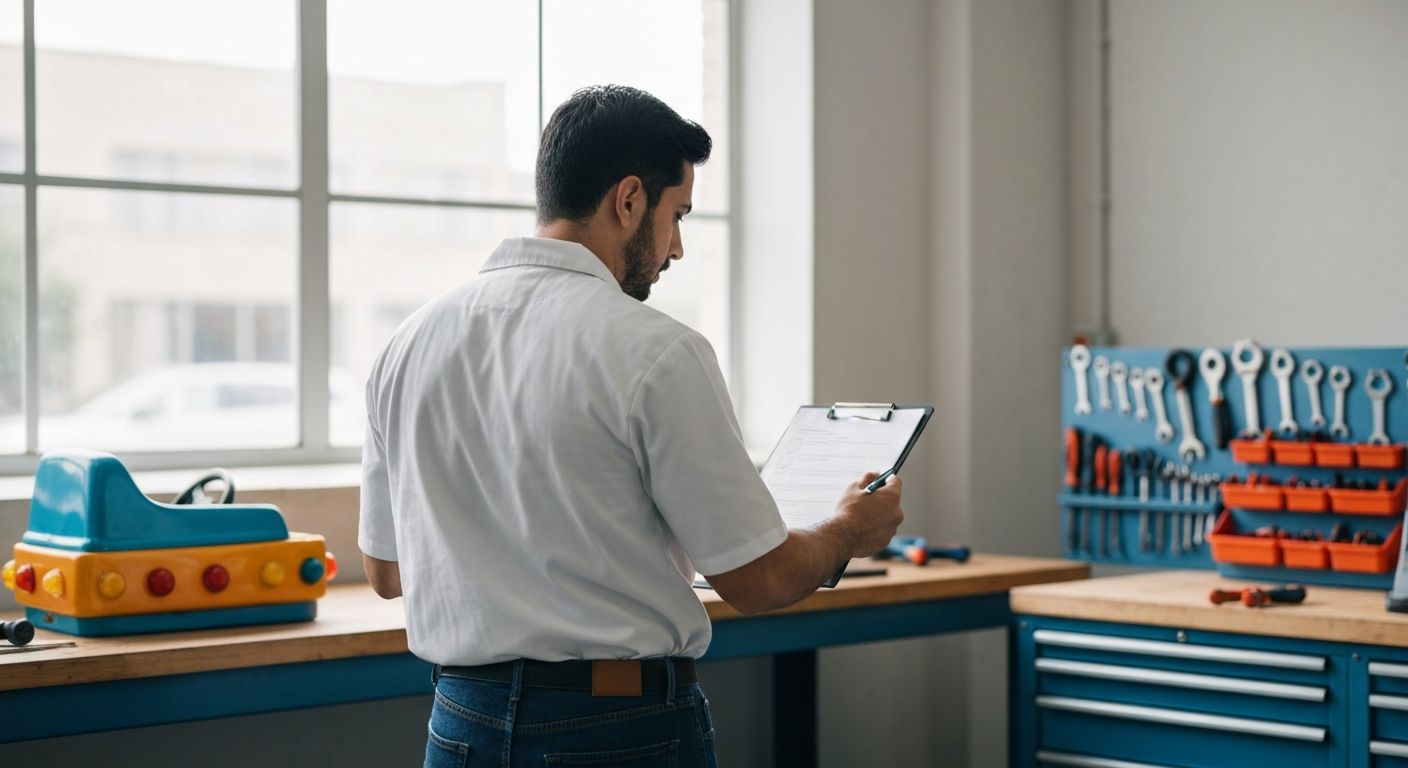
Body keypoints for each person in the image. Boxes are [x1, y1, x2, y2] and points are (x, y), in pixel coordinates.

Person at [358, 85, 904, 768]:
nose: (676, 248)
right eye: (677, 216)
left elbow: (386, 572)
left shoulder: (406, 345)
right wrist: (848, 530)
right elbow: (758, 581)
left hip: (460, 725)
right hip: (617, 731)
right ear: (628, 200)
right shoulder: (658, 351)